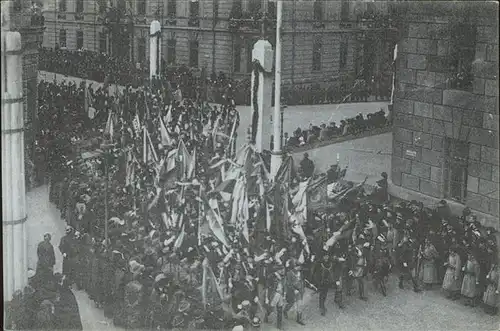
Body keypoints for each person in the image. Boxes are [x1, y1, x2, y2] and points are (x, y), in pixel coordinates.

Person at [283, 259, 305, 325]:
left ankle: (299, 319)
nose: (300, 268)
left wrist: (302, 288)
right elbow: (288, 284)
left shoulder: (300, 273)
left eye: (300, 266)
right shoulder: (289, 273)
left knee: (299, 305)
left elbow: (301, 281)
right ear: (294, 266)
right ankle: (285, 311)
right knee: (291, 303)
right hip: (291, 292)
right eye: (298, 266)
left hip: (299, 291)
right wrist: (294, 289)